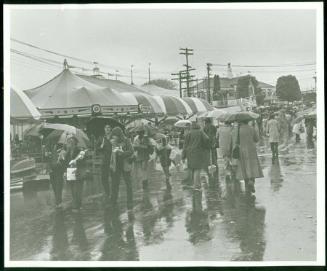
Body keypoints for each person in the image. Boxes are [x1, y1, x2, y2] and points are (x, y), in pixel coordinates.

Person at [231, 120, 263, 194]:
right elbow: (257, 139)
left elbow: (234, 141)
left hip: (241, 151)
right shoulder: (252, 128)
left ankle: (247, 183)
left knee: (244, 167)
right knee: (252, 166)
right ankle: (252, 181)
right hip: (251, 150)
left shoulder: (237, 130)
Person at [109, 127, 134, 213]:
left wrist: (123, 153)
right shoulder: (112, 142)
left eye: (115, 136)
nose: (114, 137)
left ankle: (130, 202)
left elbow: (131, 151)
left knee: (128, 184)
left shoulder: (127, 140)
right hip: (116, 165)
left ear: (119, 135)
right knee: (114, 184)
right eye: (113, 136)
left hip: (125, 164)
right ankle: (113, 201)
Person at [182, 122, 210, 195]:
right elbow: (207, 139)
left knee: (192, 169)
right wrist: (204, 146)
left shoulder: (188, 133)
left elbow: (185, 145)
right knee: (197, 169)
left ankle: (195, 184)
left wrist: (183, 156)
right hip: (198, 152)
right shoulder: (201, 132)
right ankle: (197, 186)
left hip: (189, 153)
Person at [64, 135, 87, 212]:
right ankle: (76, 203)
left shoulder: (79, 150)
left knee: (77, 189)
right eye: (69, 141)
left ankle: (77, 205)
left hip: (78, 170)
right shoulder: (68, 150)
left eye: (72, 141)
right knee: (72, 188)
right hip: (70, 171)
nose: (70, 142)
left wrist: (76, 161)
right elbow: (65, 162)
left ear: (75, 142)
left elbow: (82, 159)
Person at [45, 143, 66, 208]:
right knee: (54, 186)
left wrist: (60, 161)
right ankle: (58, 201)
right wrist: (48, 168)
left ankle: (59, 202)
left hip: (59, 171)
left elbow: (64, 161)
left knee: (58, 186)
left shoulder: (62, 151)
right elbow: (48, 161)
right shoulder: (50, 150)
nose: (54, 145)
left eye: (54, 144)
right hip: (52, 171)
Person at [97, 124, 112, 200]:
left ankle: (113, 192)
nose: (107, 129)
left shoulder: (113, 137)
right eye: (106, 127)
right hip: (105, 160)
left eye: (109, 127)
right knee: (104, 177)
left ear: (111, 129)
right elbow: (97, 149)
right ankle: (107, 192)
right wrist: (101, 146)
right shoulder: (101, 138)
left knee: (113, 177)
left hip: (113, 159)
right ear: (104, 129)